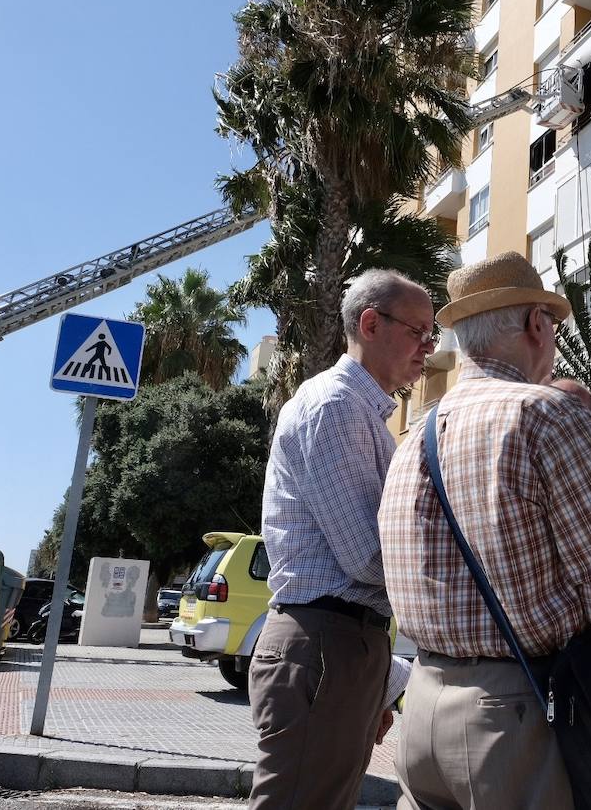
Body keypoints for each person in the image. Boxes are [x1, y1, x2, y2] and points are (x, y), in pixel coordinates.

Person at [380, 251, 591, 810]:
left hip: (423, 706)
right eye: (553, 324)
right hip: (515, 714)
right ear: (537, 324)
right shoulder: (547, 415)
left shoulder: (413, 437)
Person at [247, 269, 438, 810]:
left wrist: (378, 675)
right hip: (329, 640)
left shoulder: (361, 411)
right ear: (371, 323)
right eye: (418, 331)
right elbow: (365, 555)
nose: (427, 347)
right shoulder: (337, 407)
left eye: (433, 334)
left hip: (341, 643)